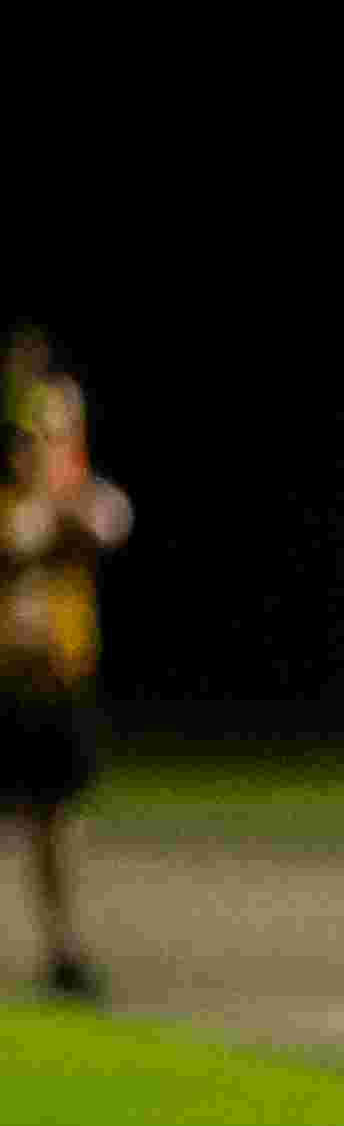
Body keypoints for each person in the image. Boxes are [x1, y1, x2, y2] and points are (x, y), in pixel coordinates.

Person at [0, 376, 131, 1000]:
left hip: (59, 685)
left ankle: (63, 947)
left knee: (57, 818)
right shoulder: (13, 507)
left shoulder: (81, 498)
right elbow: (23, 543)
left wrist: (63, 490)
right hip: (9, 685)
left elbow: (107, 523)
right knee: (27, 819)